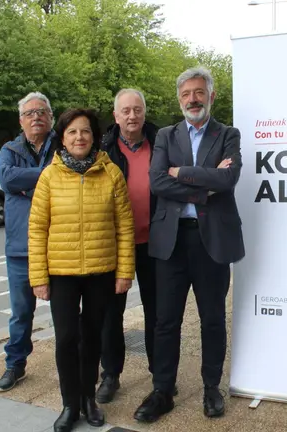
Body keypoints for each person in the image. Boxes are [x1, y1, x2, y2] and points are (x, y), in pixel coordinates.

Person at [133, 66, 244, 423]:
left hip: (211, 240)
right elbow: (156, 183)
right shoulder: (166, 135)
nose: (192, 99)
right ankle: (163, 390)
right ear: (179, 99)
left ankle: (212, 387)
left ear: (211, 96)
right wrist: (203, 188)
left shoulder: (228, 134)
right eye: (186, 94)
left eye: (199, 92)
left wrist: (180, 173)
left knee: (212, 318)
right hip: (171, 241)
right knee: (166, 321)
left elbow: (228, 178)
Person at [28, 108, 136, 432]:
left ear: (95, 136)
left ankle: (89, 400)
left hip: (101, 272)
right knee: (66, 340)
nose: (79, 137)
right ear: (63, 137)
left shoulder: (111, 173)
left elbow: (125, 227)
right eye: (73, 132)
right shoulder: (49, 176)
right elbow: (36, 229)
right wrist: (38, 278)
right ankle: (69, 404)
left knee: (92, 338)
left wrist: (124, 273)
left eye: (85, 131)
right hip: (61, 273)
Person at [95, 88, 160, 403]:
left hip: (156, 242)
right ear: (115, 115)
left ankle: (160, 373)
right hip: (115, 244)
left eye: (137, 109)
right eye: (126, 111)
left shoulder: (164, 142)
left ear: (144, 112)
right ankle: (111, 375)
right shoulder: (102, 148)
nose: (132, 116)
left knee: (158, 311)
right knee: (111, 313)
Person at [0, 92, 57, 392]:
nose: (36, 117)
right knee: (21, 313)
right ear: (21, 120)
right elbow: (7, 180)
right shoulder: (9, 149)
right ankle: (15, 365)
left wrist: (26, 184)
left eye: (42, 112)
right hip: (20, 248)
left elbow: (69, 177)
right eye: (30, 113)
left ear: (51, 117)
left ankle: (75, 363)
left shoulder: (63, 144)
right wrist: (46, 177)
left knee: (66, 312)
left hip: (58, 244)